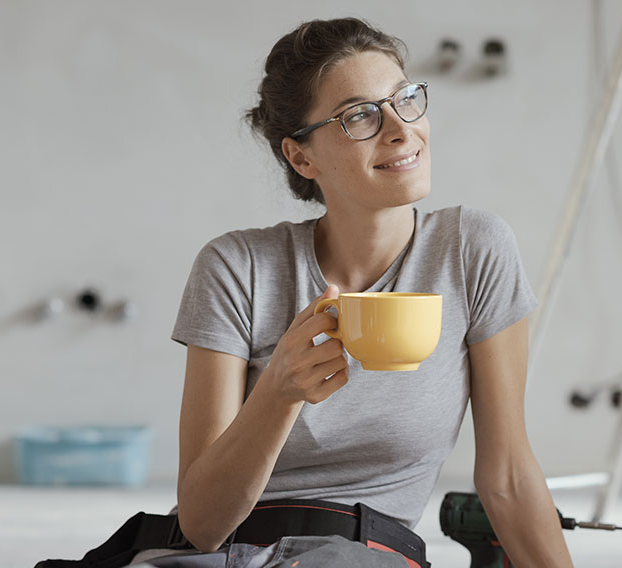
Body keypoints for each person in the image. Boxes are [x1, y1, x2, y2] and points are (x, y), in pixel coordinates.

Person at [35, 16, 573, 568]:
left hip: (361, 553)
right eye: (360, 115)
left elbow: (506, 476)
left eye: (405, 98)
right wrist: (278, 392)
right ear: (301, 157)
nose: (400, 128)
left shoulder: (471, 249)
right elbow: (199, 524)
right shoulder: (236, 266)